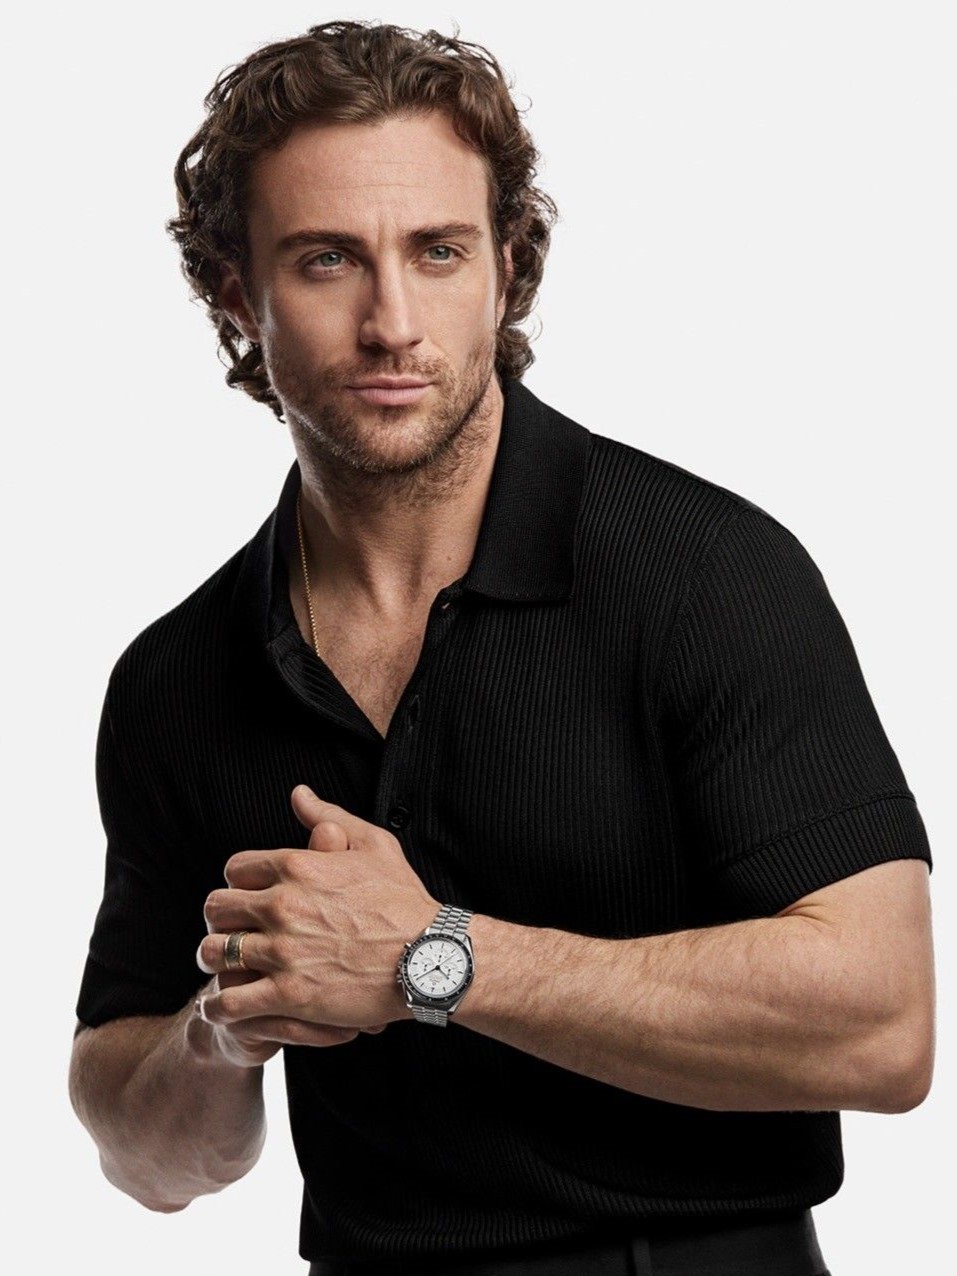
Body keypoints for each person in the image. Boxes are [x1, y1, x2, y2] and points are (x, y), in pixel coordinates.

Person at [69, 19, 935, 1276]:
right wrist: (229, 1021)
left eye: (438, 251)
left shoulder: (703, 572)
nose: (392, 322)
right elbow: (147, 1161)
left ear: (507, 267)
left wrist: (434, 958)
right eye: (327, 260)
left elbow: (885, 1026)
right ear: (236, 293)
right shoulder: (177, 679)